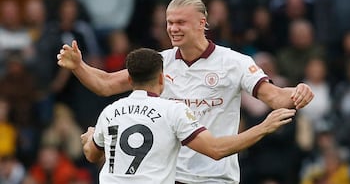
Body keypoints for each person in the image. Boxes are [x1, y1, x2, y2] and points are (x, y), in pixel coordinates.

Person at [57, 0, 314, 184]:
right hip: (173, 176)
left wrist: (298, 92)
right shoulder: (160, 63)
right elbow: (105, 85)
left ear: (202, 23)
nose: (172, 28)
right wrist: (79, 66)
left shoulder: (234, 63)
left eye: (180, 22)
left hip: (216, 176)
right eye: (169, 22)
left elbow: (276, 97)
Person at [80, 48, 296, 184]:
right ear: (163, 80)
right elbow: (216, 149)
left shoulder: (110, 113)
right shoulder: (172, 111)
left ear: (128, 81)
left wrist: (91, 136)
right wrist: (264, 127)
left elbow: (91, 154)